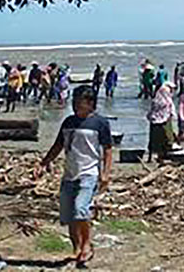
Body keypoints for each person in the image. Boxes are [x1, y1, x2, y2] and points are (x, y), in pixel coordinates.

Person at [35, 86, 113, 269]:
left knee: (80, 210)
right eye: (74, 101)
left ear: (90, 104)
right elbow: (58, 146)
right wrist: (43, 163)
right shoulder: (68, 122)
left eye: (80, 102)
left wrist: (106, 174)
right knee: (69, 216)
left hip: (89, 173)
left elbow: (108, 150)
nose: (76, 105)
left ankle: (87, 245)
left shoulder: (100, 123)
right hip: (69, 174)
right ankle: (77, 249)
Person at [146, 81, 176, 162]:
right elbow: (170, 112)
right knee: (165, 139)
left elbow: (151, 111)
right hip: (164, 122)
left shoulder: (156, 100)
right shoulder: (167, 100)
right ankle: (162, 156)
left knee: (154, 140)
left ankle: (151, 157)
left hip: (154, 122)